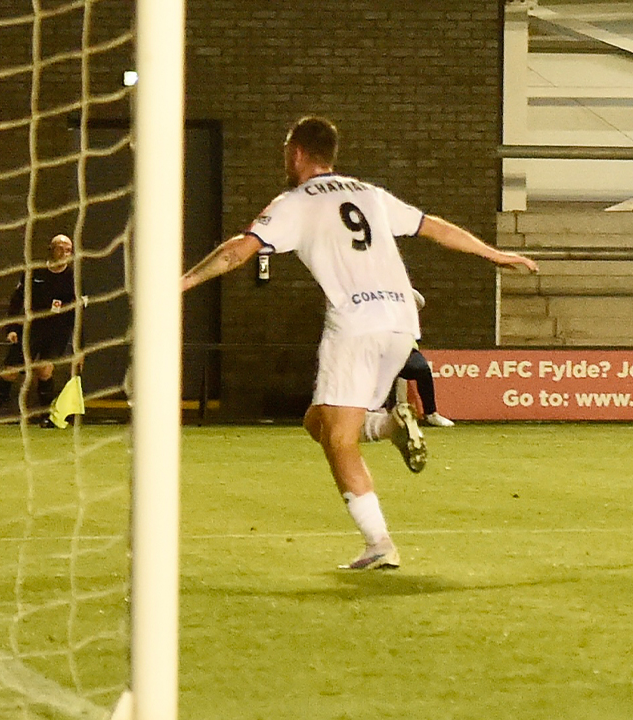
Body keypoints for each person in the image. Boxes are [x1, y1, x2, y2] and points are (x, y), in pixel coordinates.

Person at [180, 116, 538, 570]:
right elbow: (433, 226)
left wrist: (181, 283)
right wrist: (495, 254)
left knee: (339, 440)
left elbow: (238, 250)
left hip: (354, 323)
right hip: (402, 322)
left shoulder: (295, 201)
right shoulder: (369, 193)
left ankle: (379, 544)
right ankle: (390, 424)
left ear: (296, 153)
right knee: (319, 422)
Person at [0, 234, 79, 428]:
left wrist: (77, 343)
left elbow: (76, 313)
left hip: (56, 332)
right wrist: (11, 328)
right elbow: (16, 301)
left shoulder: (73, 279)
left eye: (68, 249)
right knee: (10, 372)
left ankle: (46, 417)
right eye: (60, 248)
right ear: (51, 249)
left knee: (44, 370)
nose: (64, 253)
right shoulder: (34, 273)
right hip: (30, 329)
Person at [399, 289, 453, 427]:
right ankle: (376, 412)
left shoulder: (400, 294)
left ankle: (431, 413)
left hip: (405, 347)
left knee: (421, 369)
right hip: (376, 348)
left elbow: (419, 301)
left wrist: (398, 284)